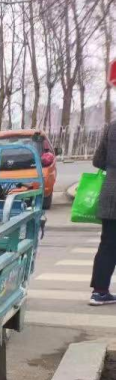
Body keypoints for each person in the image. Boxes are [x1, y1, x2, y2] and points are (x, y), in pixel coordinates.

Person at [90, 122, 116, 305]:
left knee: (108, 244)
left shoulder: (112, 127)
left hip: (111, 194)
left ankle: (99, 292)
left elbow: (97, 160)